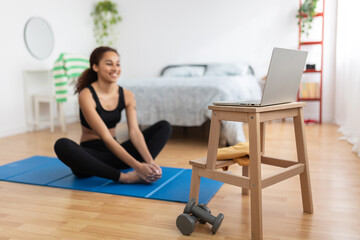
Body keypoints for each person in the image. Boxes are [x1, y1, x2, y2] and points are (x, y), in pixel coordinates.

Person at [54, 46, 172, 184]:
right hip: (92, 158)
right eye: (109, 64)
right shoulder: (86, 95)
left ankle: (128, 168)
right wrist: (137, 167)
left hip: (117, 155)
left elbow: (134, 131)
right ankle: (124, 177)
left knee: (164, 126)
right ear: (95, 67)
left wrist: (149, 163)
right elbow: (105, 137)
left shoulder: (127, 95)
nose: (115, 68)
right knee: (62, 145)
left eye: (118, 64)